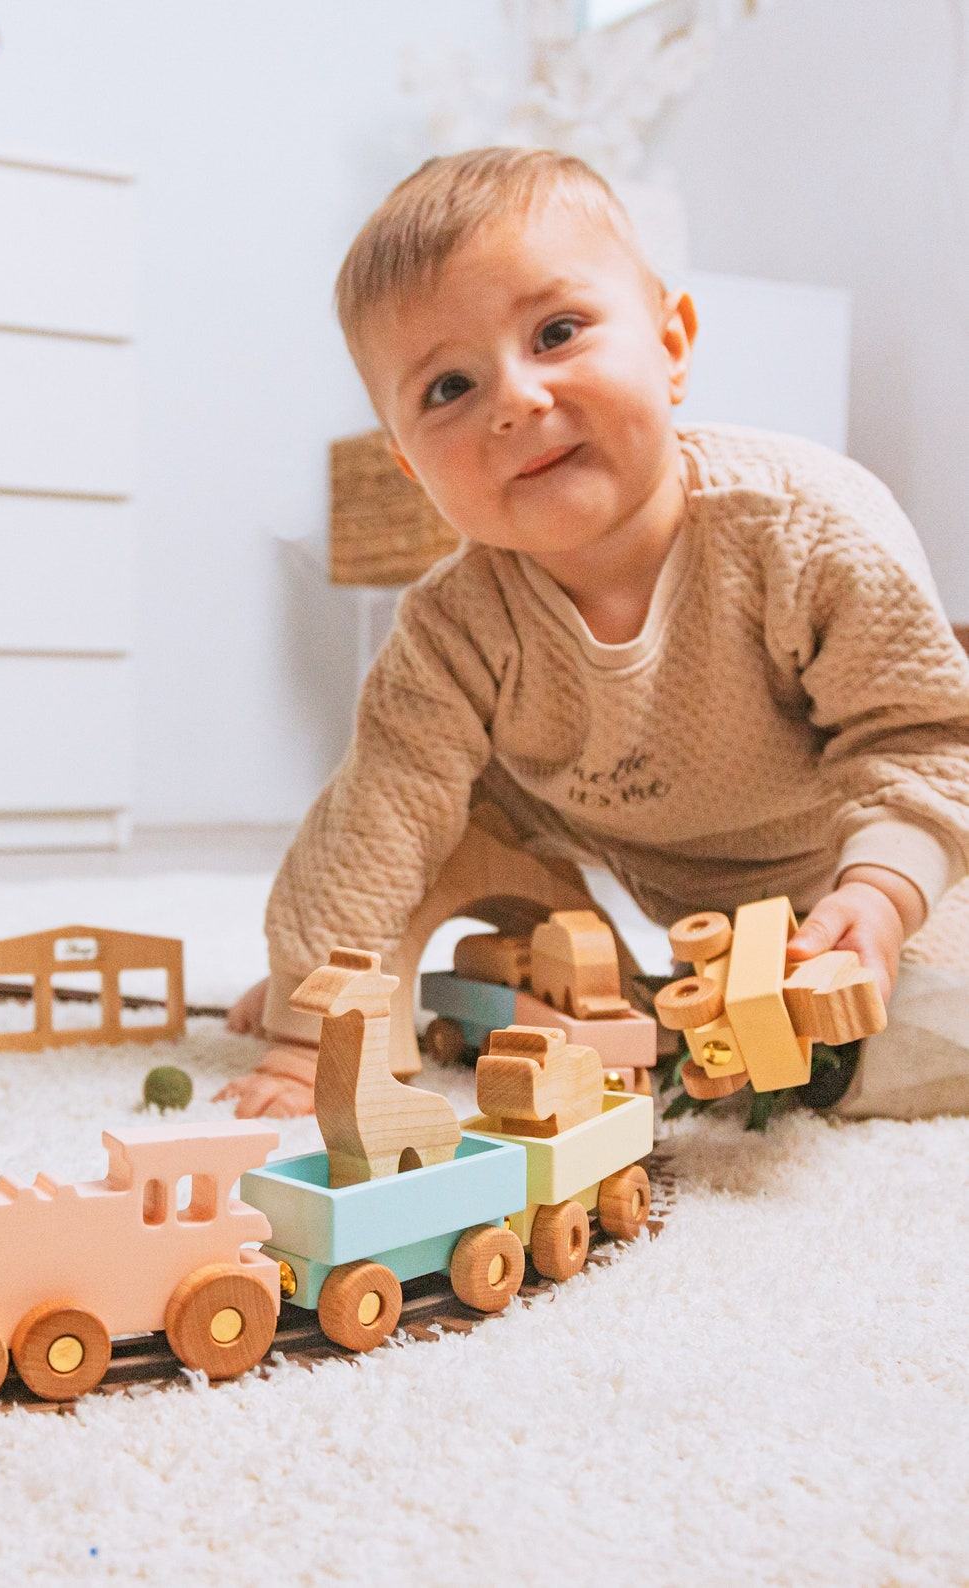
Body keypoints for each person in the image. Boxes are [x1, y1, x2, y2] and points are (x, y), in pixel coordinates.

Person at [219, 146, 969, 1122]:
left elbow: (921, 740)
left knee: (914, 1036)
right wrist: (307, 1018)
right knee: (416, 817)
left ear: (671, 345)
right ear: (411, 467)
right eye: (449, 389)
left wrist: (879, 897)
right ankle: (344, 1003)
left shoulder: (807, 530)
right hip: (665, 891)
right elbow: (375, 827)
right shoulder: (456, 624)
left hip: (857, 859)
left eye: (557, 331)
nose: (516, 400)